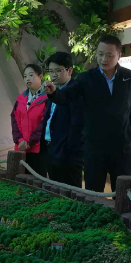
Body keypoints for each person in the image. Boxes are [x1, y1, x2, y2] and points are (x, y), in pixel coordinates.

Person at [44, 35, 131, 192]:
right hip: (94, 147)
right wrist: (53, 93)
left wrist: (128, 126)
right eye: (100, 54)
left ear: (119, 56)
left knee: (123, 192)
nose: (103, 59)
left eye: (109, 55)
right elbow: (66, 97)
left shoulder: (129, 77)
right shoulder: (86, 78)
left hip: (122, 146)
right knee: (93, 193)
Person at [42, 52, 85, 187]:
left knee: (70, 193)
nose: (53, 75)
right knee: (54, 191)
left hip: (68, 154)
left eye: (58, 71)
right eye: (51, 71)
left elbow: (77, 125)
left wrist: (68, 151)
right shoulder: (52, 90)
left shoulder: (76, 91)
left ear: (69, 71)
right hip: (51, 149)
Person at [11, 63, 48, 176]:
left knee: (36, 181)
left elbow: (44, 123)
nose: (27, 78)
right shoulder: (20, 98)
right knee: (19, 180)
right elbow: (14, 119)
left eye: (31, 75)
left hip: (38, 149)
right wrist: (19, 140)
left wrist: (30, 142)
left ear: (40, 76)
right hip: (20, 148)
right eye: (25, 76)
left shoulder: (47, 98)